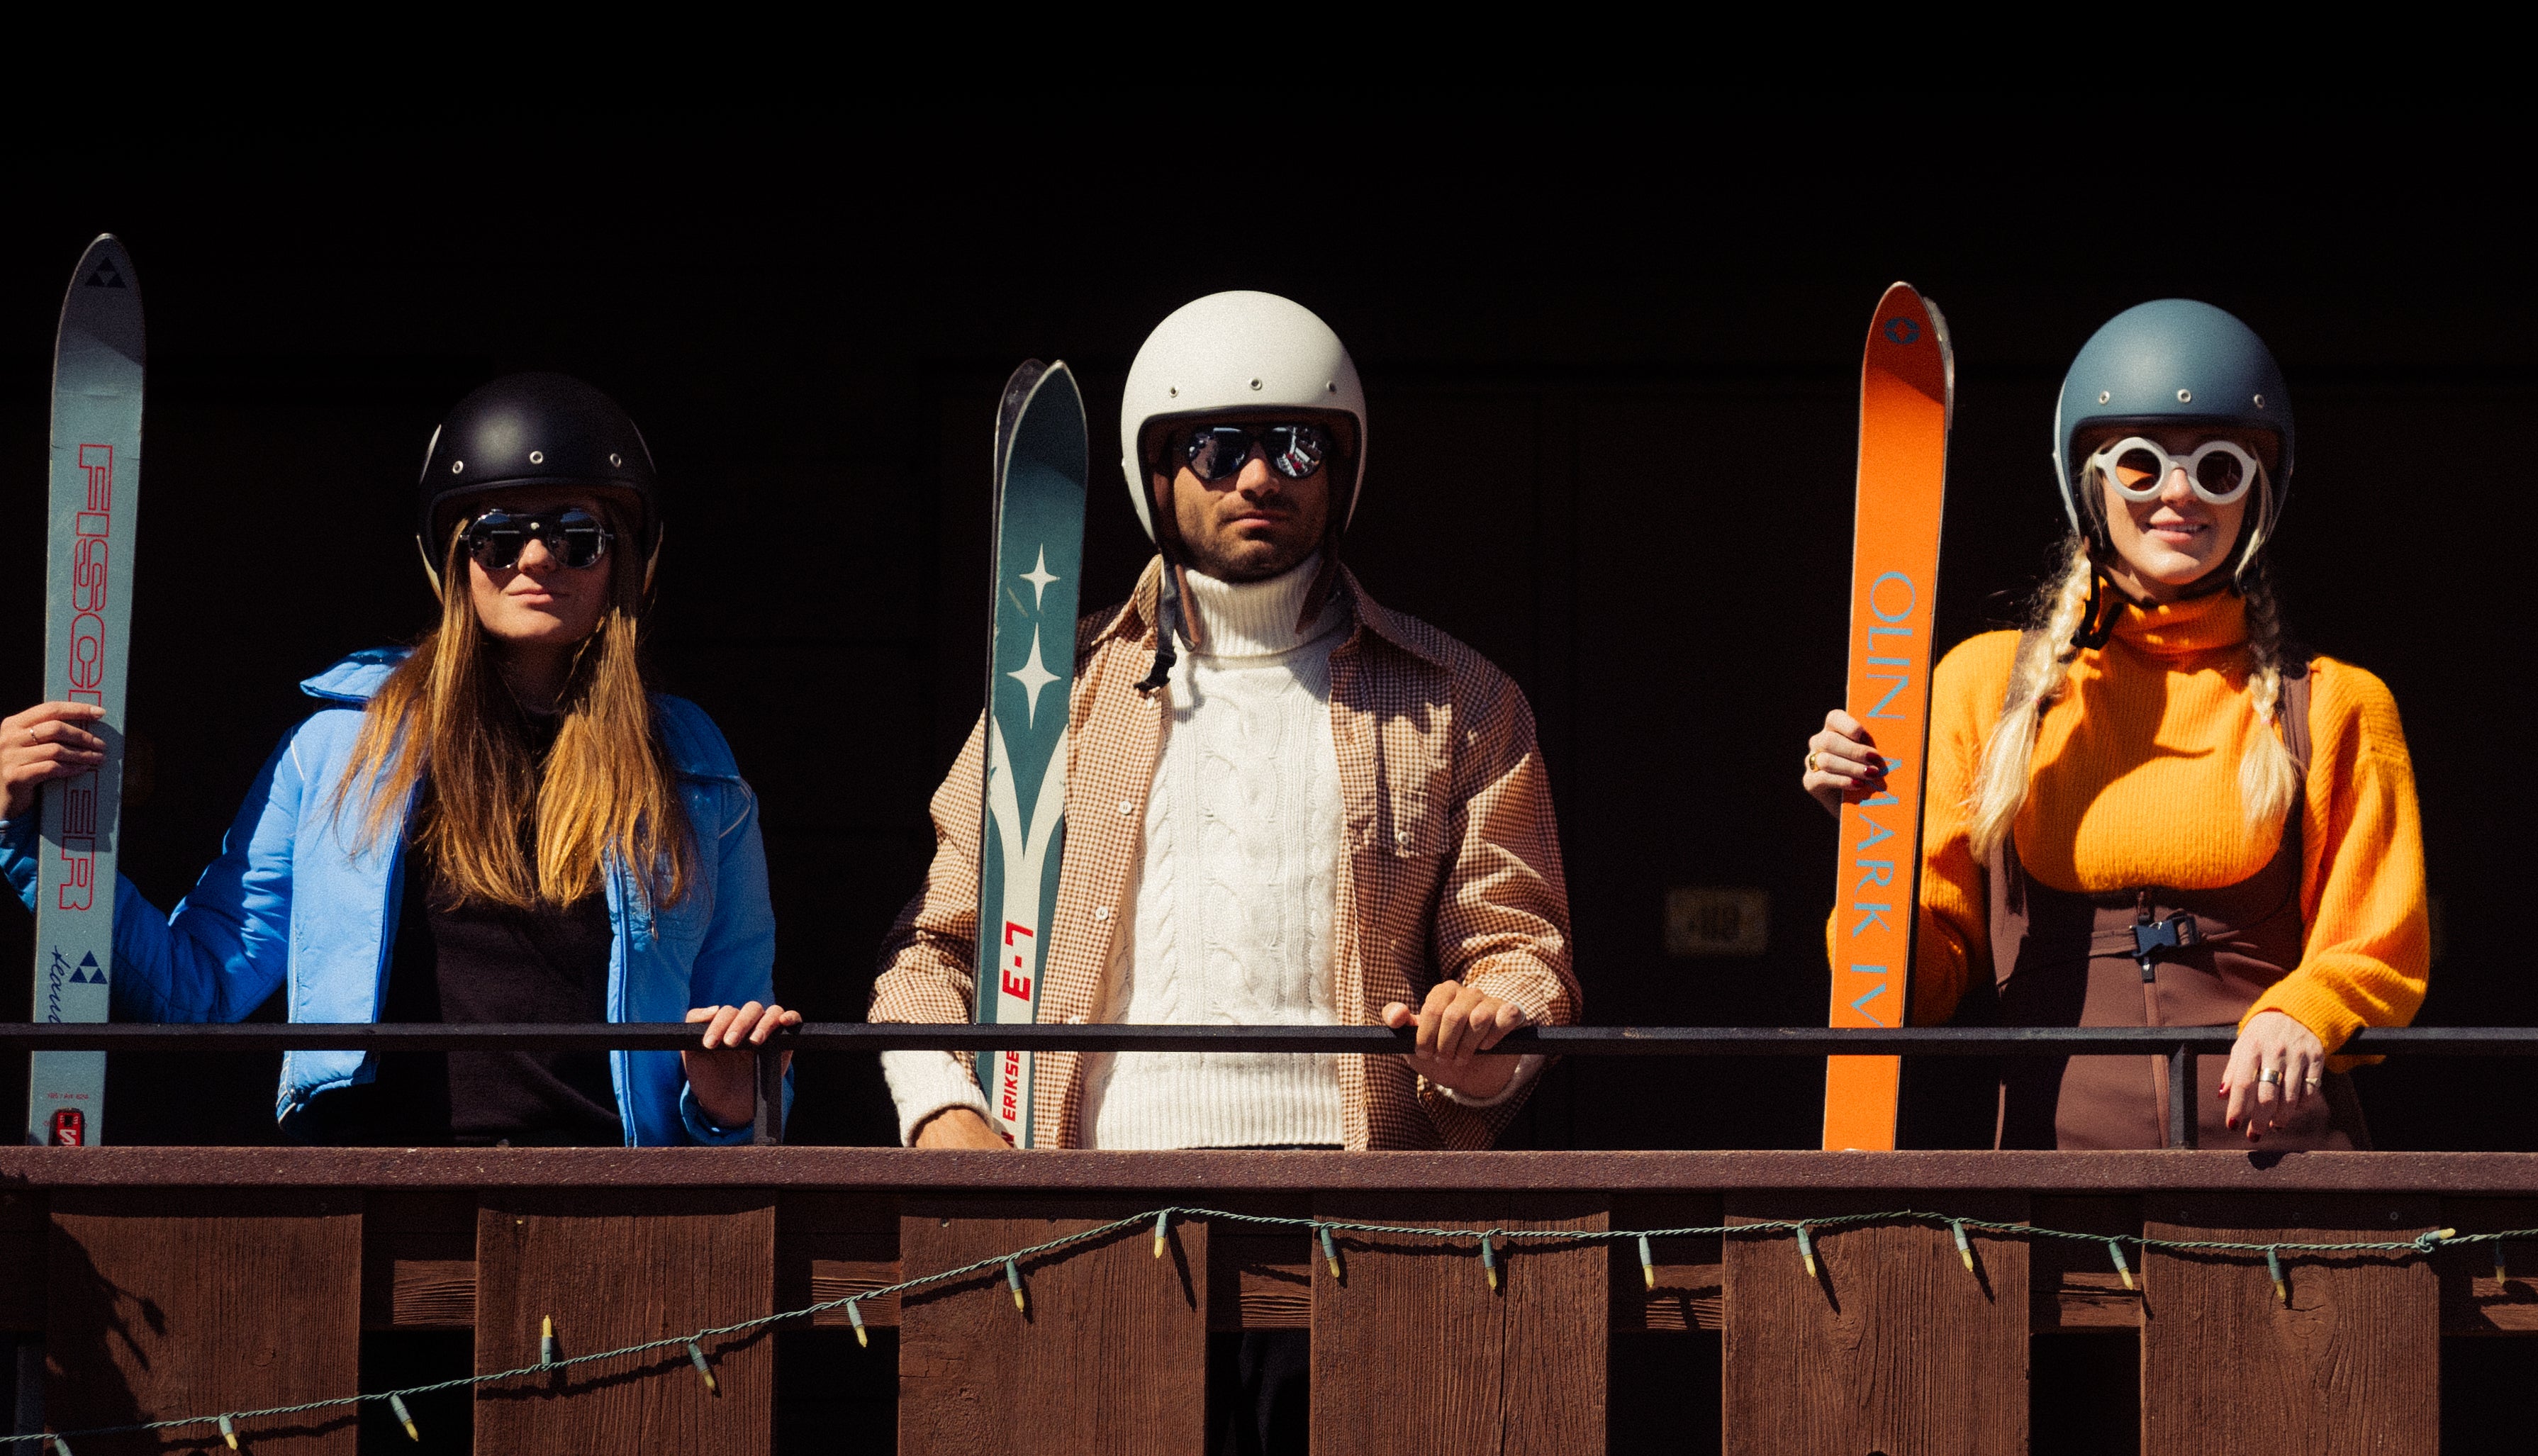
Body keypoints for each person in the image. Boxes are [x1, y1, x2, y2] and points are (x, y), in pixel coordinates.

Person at [2, 372, 795, 1143]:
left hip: (612, 1201)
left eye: (576, 536)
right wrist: (30, 834)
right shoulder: (339, 750)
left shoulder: (697, 777)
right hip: (378, 1191)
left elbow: (751, 1065)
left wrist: (730, 1102)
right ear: (452, 557)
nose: (536, 559)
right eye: (497, 536)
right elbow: (196, 986)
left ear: (626, 559)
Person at [873, 289, 1578, 1150]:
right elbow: (934, 950)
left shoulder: (1457, 698)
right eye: (1215, 449)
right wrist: (942, 1111)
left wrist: (1484, 1043)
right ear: (1156, 474)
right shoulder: (1053, 693)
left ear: (1341, 467)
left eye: (1296, 444)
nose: (1258, 477)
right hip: (1092, 1184)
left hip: (1356, 1193)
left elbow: (1520, 955)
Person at [1805, 298, 2430, 1147]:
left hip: (2278, 1168)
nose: (2178, 493)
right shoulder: (1987, 689)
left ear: (2259, 493)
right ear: (2088, 485)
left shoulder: (2331, 702)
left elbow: (2378, 947)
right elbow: (1921, 987)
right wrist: (1867, 855)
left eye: (2218, 468)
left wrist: (2306, 1011)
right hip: (2059, 1171)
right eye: (2139, 464)